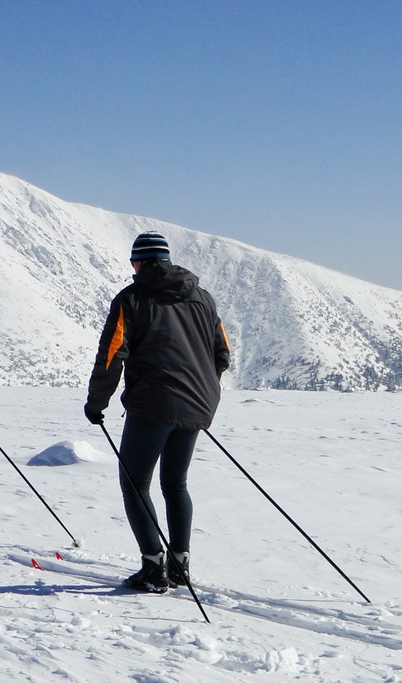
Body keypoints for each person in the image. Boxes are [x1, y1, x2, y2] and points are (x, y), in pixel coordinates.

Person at [84, 232, 231, 592]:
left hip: (154, 403)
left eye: (133, 262)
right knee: (175, 483)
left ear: (141, 262)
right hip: (198, 403)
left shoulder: (131, 299)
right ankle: (179, 563)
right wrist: (200, 387)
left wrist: (96, 402)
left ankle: (153, 567)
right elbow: (223, 352)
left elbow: (111, 355)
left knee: (135, 483)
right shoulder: (203, 297)